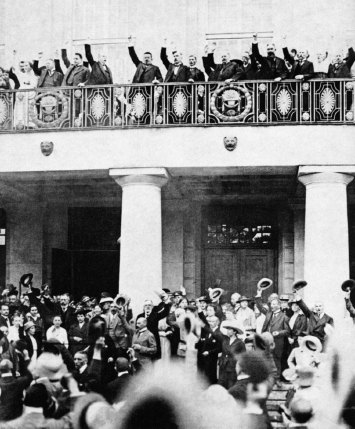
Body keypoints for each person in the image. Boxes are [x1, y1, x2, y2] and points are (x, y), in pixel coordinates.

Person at [255, 286, 290, 386]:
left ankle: (277, 379)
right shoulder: (268, 313)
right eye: (271, 304)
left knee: (276, 361)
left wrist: (278, 333)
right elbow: (260, 306)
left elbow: (287, 331)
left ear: (279, 305)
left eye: (274, 304)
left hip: (277, 343)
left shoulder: (284, 317)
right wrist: (259, 295)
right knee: (265, 360)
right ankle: (267, 379)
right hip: (266, 342)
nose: (272, 306)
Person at [0, 354, 32, 421]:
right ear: (11, 369)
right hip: (17, 417)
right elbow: (30, 375)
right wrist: (26, 357)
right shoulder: (19, 382)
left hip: (2, 417)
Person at [216, 320, 245, 389]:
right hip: (223, 366)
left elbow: (243, 356)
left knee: (231, 386)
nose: (227, 331)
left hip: (232, 368)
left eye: (229, 330)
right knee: (221, 385)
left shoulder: (240, 343)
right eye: (227, 329)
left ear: (234, 331)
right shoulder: (225, 340)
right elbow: (215, 333)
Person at [12, 61, 38, 129]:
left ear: (30, 66)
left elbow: (34, 85)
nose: (25, 67)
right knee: (20, 108)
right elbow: (14, 69)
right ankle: (20, 123)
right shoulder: (22, 75)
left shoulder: (34, 76)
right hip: (22, 93)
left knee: (29, 108)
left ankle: (30, 123)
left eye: (27, 65)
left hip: (30, 94)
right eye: (24, 66)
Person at [201, 315, 222, 385]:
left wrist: (209, 352)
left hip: (213, 358)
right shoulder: (209, 331)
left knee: (212, 376)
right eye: (209, 321)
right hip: (206, 357)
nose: (210, 323)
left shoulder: (219, 333)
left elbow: (219, 348)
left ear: (217, 323)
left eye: (213, 321)